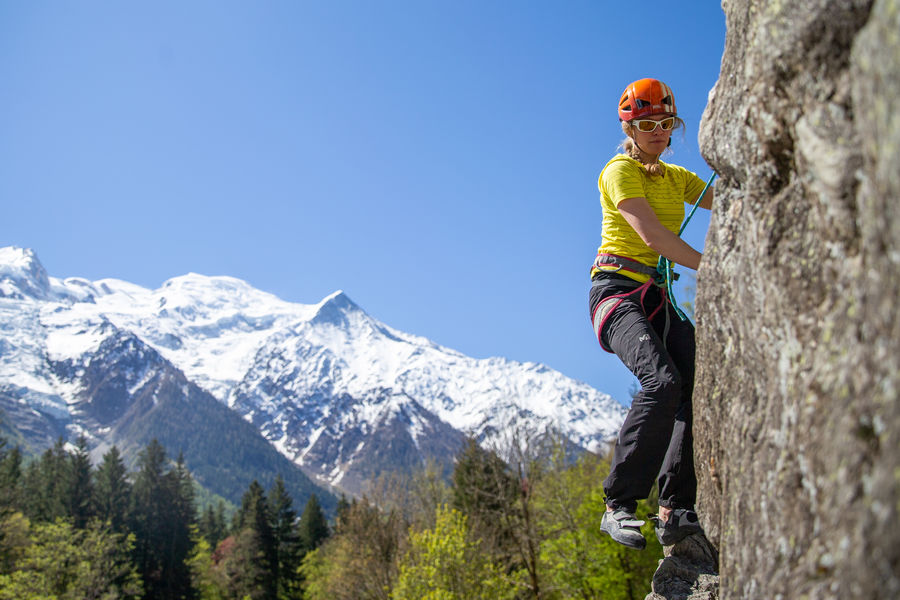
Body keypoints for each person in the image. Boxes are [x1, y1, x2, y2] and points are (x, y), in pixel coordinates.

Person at [590, 78, 712, 549]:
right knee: (661, 382)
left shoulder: (675, 177)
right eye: (647, 124)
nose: (658, 132)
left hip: (657, 296)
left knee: (697, 383)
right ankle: (618, 504)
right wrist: (713, 266)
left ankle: (675, 508)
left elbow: (724, 198)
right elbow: (653, 238)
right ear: (630, 128)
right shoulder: (620, 171)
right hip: (617, 292)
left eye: (666, 123)